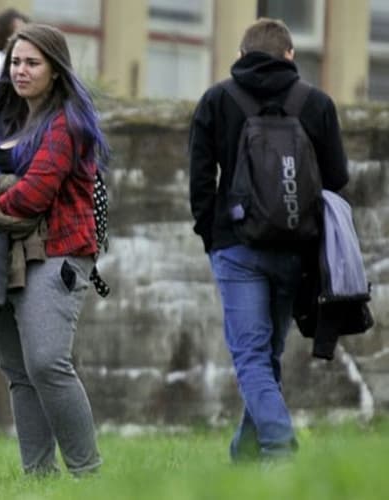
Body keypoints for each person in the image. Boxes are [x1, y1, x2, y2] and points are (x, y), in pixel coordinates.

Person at [188, 18, 349, 462]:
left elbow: (200, 183)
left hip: (236, 246)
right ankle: (245, 457)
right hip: (295, 249)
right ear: (290, 56)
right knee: (266, 354)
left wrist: (212, 235)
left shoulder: (217, 100)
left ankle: (278, 448)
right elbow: (336, 180)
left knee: (253, 357)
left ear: (241, 57)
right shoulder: (316, 103)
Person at [0, 24, 109, 476]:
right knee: (18, 372)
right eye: (15, 62)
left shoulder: (67, 123)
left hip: (58, 252)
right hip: (2, 255)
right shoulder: (5, 122)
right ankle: (39, 476)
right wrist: (5, 187)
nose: (20, 71)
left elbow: (35, 195)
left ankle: (88, 473)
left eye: (32, 63)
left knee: (47, 362)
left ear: (56, 71)